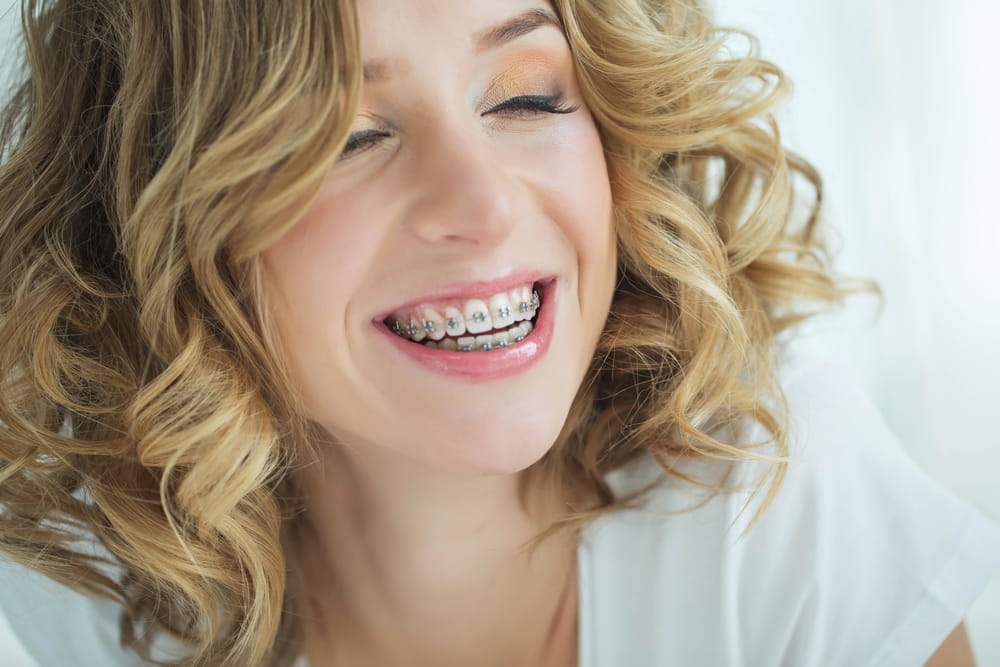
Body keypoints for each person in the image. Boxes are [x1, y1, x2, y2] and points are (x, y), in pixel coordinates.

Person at [1, 0, 998, 665]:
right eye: (350, 135)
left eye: (525, 97)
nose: (478, 204)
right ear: (158, 215)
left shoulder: (780, 499)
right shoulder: (93, 580)